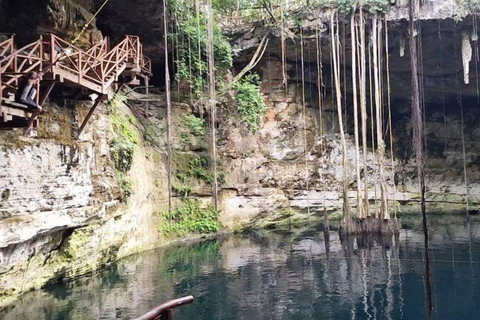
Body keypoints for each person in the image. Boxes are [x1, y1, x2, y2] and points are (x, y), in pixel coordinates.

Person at [15, 71, 43, 136]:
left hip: (21, 98)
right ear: (32, 76)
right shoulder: (29, 81)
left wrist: (50, 65)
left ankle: (31, 106)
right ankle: (29, 122)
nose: (36, 77)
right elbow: (41, 73)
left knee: (34, 90)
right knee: (39, 109)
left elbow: (42, 73)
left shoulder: (26, 80)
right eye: (35, 76)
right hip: (22, 100)